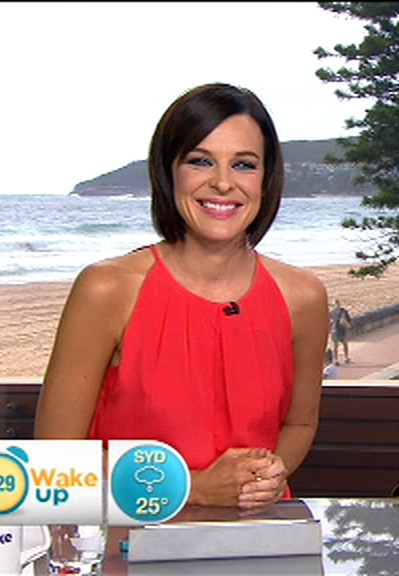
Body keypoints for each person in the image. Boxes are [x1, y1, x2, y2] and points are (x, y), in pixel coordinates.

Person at [34, 83, 329, 511]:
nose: (223, 182)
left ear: (266, 179)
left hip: (258, 536)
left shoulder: (303, 298)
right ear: (168, 172)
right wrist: (197, 489)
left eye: (243, 165)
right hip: (130, 541)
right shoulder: (107, 289)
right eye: (200, 161)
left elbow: (299, 425)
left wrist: (263, 478)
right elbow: (53, 464)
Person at [329, 299, 352, 364]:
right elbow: (329, 321)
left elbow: (349, 319)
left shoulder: (343, 311)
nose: (337, 305)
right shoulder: (333, 312)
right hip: (337, 330)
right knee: (337, 345)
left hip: (340, 329)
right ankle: (338, 359)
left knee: (342, 344)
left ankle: (344, 358)